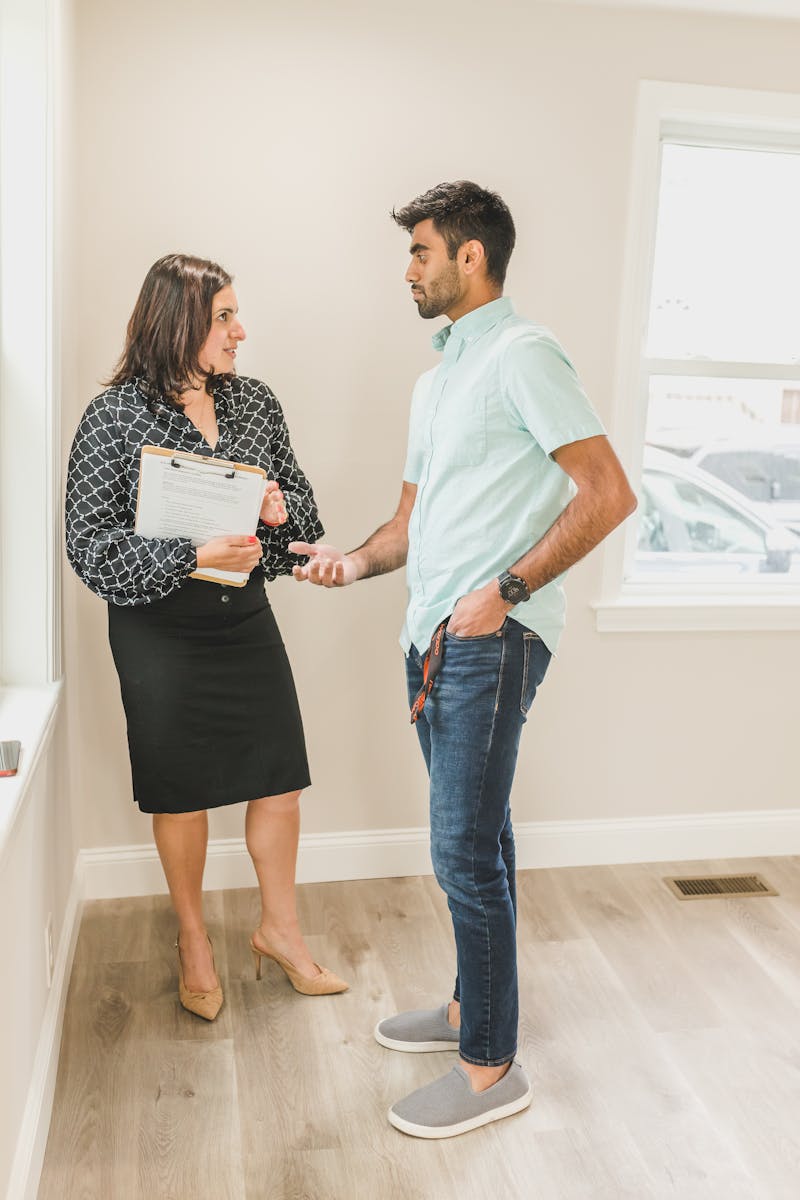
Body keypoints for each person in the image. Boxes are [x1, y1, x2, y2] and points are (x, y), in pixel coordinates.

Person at [289, 181, 636, 1137]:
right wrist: (352, 560)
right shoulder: (436, 380)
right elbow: (411, 521)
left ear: (470, 257)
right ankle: (463, 1011)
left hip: (492, 635)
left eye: (421, 253)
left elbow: (608, 494)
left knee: (459, 852)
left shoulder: (526, 356)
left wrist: (506, 593)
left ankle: (491, 1067)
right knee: (482, 839)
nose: (408, 270)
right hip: (429, 637)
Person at [65, 253, 348, 1021]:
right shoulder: (115, 417)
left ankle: (280, 931)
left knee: (280, 778)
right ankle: (193, 938)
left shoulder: (254, 403)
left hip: (243, 622)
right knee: (182, 791)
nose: (239, 330)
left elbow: (305, 527)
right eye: (225, 316)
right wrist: (192, 554)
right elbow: (88, 546)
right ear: (178, 321)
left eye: (234, 315)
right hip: (159, 633)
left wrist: (281, 517)